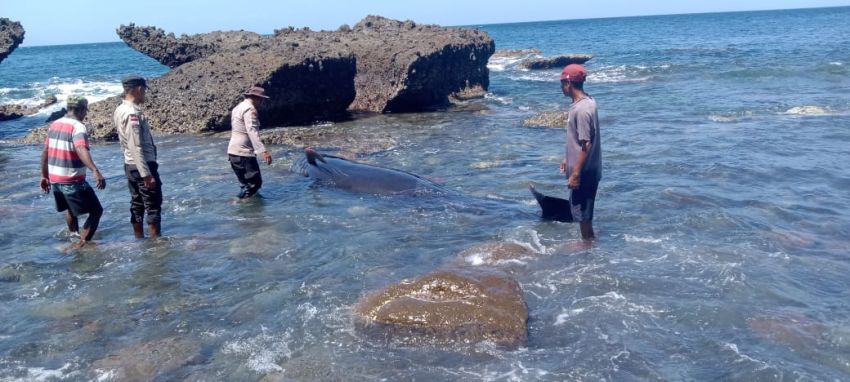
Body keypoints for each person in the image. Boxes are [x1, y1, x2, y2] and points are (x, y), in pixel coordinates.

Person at [39, 95, 106, 248]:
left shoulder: (55, 124)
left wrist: (44, 175)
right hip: (72, 179)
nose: (86, 114)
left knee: (69, 209)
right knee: (96, 211)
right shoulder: (78, 127)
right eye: (85, 110)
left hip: (55, 178)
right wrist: (95, 170)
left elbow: (45, 151)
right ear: (81, 110)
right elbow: (81, 148)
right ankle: (82, 244)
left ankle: (74, 237)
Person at [114, 75, 162, 239]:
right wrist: (146, 173)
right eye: (144, 91)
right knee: (153, 205)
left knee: (137, 204)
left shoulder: (119, 109)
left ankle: (139, 240)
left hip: (130, 165)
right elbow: (136, 145)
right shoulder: (131, 113)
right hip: (142, 165)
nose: (144, 95)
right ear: (139, 89)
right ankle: (156, 246)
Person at [559, 64, 601, 241]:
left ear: (569, 83)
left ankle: (587, 248)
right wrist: (566, 159)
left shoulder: (581, 110)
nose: (561, 87)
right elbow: (578, 140)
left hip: (584, 172)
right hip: (590, 169)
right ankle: (589, 243)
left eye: (562, 83)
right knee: (585, 215)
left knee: (583, 216)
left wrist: (575, 173)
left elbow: (586, 144)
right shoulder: (587, 102)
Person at [227, 85, 273, 199]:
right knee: (254, 184)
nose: (262, 102)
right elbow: (251, 131)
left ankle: (238, 207)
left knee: (245, 186)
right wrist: (263, 151)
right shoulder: (250, 109)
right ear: (256, 98)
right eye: (262, 99)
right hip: (243, 153)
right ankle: (242, 208)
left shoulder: (237, 107)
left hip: (233, 152)